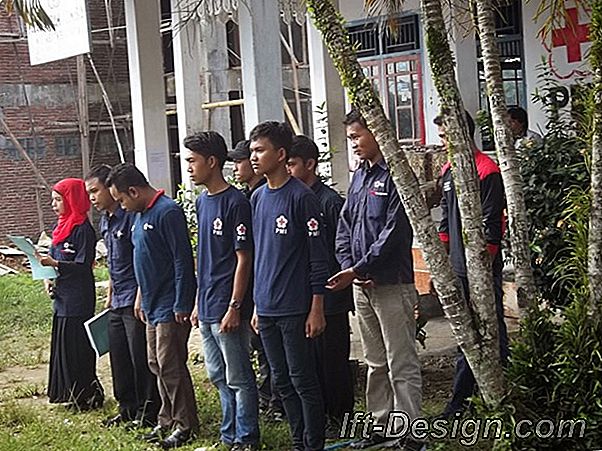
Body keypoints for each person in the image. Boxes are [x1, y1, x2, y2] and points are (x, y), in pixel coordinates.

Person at [328, 109, 422, 450]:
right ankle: (380, 426)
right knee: (375, 361)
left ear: (377, 133)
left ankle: (410, 434)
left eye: (356, 137)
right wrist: (350, 266)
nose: (353, 144)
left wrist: (361, 268)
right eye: (350, 138)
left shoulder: (397, 174)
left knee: (401, 361)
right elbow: (345, 226)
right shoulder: (360, 176)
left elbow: (394, 232)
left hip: (391, 284)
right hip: (361, 285)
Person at [106, 164, 198, 449]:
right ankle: (165, 419)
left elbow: (182, 260)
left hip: (171, 303)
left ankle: (186, 424)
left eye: (121, 199)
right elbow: (140, 259)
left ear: (133, 191)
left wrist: (183, 302)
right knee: (155, 363)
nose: (122, 205)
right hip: (150, 303)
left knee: (171, 363)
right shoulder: (138, 215)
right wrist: (140, 296)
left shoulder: (167, 211)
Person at [249, 121, 328, 451]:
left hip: (296, 308)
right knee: (280, 380)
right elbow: (259, 255)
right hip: (266, 308)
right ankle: (298, 442)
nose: (254, 157)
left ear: (281, 155)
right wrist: (255, 305)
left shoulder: (302, 198)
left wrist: (317, 307)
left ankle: (314, 444)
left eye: (260, 150)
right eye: (251, 150)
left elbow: (318, 258)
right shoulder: (256, 198)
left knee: (302, 380)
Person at [184, 132, 260, 451]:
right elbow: (205, 256)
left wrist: (235, 306)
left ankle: (247, 437)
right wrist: (198, 301)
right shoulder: (203, 202)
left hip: (229, 306)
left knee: (239, 376)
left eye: (192, 161)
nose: (188, 168)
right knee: (216, 373)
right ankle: (229, 435)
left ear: (212, 162)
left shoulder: (235, 202)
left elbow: (244, 258)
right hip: (208, 303)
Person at [434, 111, 509, 418]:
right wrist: (442, 265)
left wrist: (482, 269)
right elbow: (444, 218)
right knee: (467, 333)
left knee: (490, 332)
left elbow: (494, 225)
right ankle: (467, 399)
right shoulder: (449, 169)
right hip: (457, 268)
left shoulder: (486, 170)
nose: (442, 142)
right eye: (440, 137)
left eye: (445, 135)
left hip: (481, 270)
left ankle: (470, 399)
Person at [286, 135, 354, 437]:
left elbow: (339, 249)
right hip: (304, 296)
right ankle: (321, 416)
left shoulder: (328, 202)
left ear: (310, 165)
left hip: (331, 297)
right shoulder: (292, 199)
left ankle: (341, 417)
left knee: (333, 362)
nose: (287, 169)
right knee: (310, 363)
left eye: (292, 164)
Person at [85, 165, 160, 428]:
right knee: (119, 356)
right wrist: (109, 292)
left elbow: (140, 259)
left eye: (95, 191)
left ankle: (148, 411)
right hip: (117, 299)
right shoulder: (106, 219)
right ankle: (127, 408)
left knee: (140, 357)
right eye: (89, 193)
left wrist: (140, 294)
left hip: (135, 298)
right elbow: (113, 261)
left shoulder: (130, 215)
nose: (92, 198)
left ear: (110, 188)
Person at [228, 140, 284, 421]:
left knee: (269, 350)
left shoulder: (267, 194)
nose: (237, 166)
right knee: (259, 347)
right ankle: (267, 397)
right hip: (251, 287)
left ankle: (276, 402)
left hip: (267, 287)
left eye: (241, 160)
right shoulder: (249, 196)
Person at [39, 178, 104, 411]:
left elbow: (83, 264)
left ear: (72, 199)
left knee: (77, 346)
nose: (54, 205)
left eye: (58, 199)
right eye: (53, 200)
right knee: (64, 346)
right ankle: (69, 393)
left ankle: (88, 394)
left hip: (78, 298)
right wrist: (48, 276)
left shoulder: (82, 229)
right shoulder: (61, 227)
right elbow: (52, 258)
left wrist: (56, 263)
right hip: (62, 297)